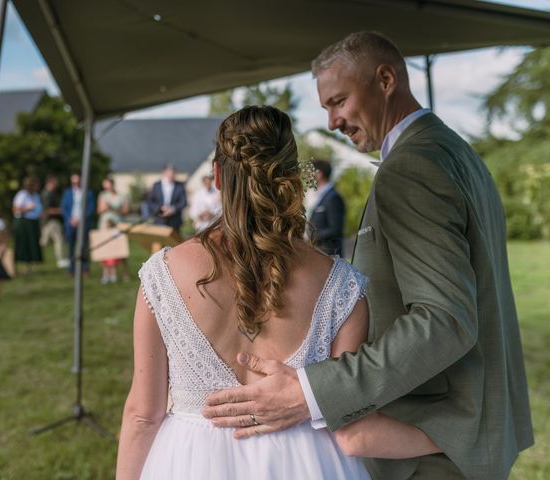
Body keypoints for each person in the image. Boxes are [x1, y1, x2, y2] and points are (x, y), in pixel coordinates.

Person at [202, 32, 534, 480]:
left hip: (434, 445)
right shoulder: (455, 151)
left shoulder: (412, 168)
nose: (334, 121)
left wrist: (311, 393)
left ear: (384, 79)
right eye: (325, 109)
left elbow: (445, 320)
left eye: (339, 101)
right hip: (469, 429)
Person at [116, 106, 441, 480]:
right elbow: (354, 433)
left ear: (218, 176)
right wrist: (450, 440)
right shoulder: (342, 289)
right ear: (292, 176)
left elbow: (143, 414)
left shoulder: (163, 276)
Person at [306, 159, 345, 256]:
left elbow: (336, 229)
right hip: (317, 252)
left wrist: (311, 237)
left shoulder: (333, 198)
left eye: (310, 172)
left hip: (328, 255)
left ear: (319, 173)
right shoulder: (318, 195)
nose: (307, 176)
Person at [61, 173, 95, 274]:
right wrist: (70, 219)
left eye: (77, 182)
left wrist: (81, 219)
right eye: (73, 182)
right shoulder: (67, 193)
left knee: (84, 246)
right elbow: (65, 208)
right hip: (71, 223)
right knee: (71, 246)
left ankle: (85, 268)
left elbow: (90, 208)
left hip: (83, 223)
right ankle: (71, 268)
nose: (76, 184)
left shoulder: (88, 193)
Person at [12, 177, 43, 273]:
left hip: (33, 222)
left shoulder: (35, 195)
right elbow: (16, 209)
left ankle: (29, 267)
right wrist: (27, 208)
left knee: (31, 245)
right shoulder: (22, 195)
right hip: (23, 222)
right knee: (23, 245)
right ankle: (18, 266)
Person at [147, 164, 187, 235]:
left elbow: (183, 202)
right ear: (164, 173)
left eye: (173, 173)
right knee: (159, 242)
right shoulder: (156, 185)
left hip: (174, 221)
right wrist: (160, 209)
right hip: (159, 220)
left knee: (175, 244)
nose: (171, 175)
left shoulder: (180, 186)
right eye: (169, 173)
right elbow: (150, 202)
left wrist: (172, 209)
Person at [39, 175, 68, 269]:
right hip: (50, 220)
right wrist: (60, 210)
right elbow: (45, 209)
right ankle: (60, 260)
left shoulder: (50, 193)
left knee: (45, 241)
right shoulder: (47, 194)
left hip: (49, 221)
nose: (56, 185)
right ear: (50, 183)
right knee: (57, 240)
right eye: (55, 183)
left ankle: (35, 258)